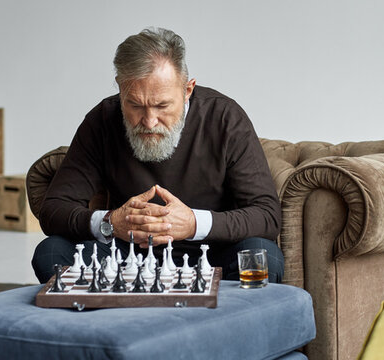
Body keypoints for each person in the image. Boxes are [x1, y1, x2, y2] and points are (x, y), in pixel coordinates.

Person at [31, 27, 284, 285]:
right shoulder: (102, 120)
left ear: (188, 89)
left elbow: (267, 214)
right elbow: (54, 209)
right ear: (120, 88)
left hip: (212, 252)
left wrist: (193, 223)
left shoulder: (225, 118)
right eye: (135, 105)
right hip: (127, 256)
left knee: (267, 257)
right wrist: (110, 222)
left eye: (162, 106)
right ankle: (101, 323)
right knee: (50, 252)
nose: (149, 122)